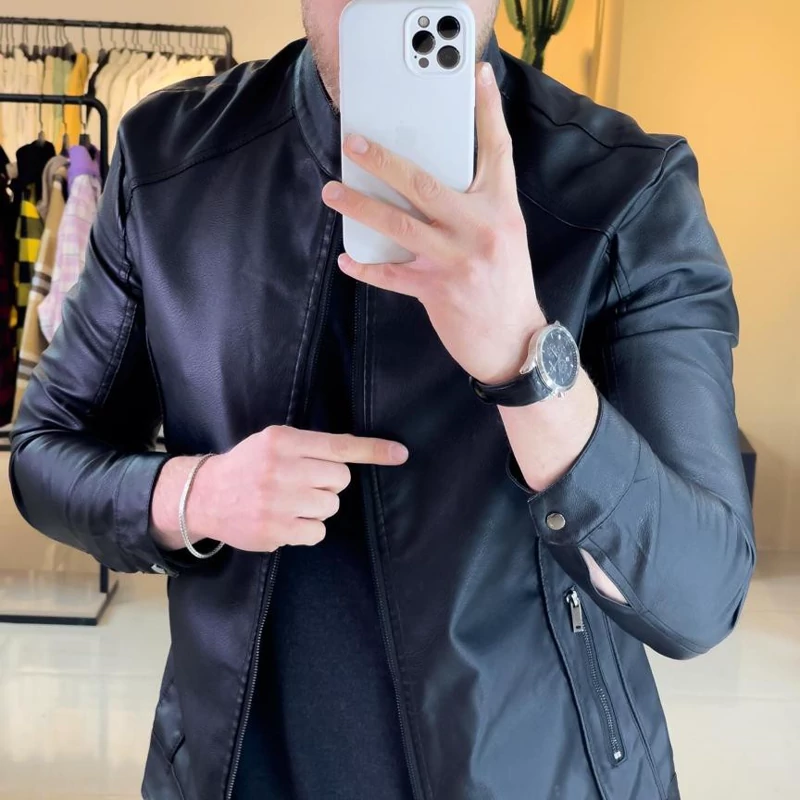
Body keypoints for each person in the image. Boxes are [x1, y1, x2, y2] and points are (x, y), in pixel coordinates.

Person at [9, 1, 755, 798]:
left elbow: (698, 597)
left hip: (537, 773)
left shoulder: (627, 190)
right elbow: (45, 449)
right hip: (234, 771)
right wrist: (195, 495)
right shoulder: (168, 160)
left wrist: (527, 360)